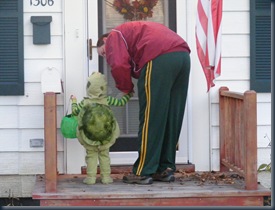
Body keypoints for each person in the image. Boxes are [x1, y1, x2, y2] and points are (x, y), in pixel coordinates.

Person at [97, 21, 191, 185]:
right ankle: (164, 168)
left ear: (105, 41)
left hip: (158, 57)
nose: (107, 57)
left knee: (151, 117)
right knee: (171, 115)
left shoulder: (114, 35)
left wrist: (125, 88)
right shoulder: (134, 30)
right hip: (182, 56)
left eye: (104, 53)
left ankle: (143, 171)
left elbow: (119, 63)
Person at [71, 72, 133, 185]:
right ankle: (106, 178)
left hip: (88, 136)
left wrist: (74, 102)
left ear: (88, 87)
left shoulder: (85, 102)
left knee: (91, 156)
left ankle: (91, 178)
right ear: (103, 88)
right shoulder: (107, 100)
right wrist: (128, 94)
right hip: (106, 135)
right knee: (104, 155)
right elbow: (121, 102)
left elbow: (74, 112)